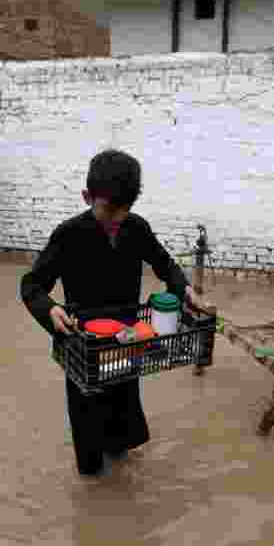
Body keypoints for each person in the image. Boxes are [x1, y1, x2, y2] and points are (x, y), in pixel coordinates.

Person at [20, 149, 206, 476]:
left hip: (127, 335)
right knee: (87, 408)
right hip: (85, 342)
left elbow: (165, 265)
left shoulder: (137, 228)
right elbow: (32, 285)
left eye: (125, 209)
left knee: (123, 402)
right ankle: (92, 474)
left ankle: (119, 456)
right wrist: (49, 309)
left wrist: (184, 288)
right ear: (87, 197)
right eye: (109, 209)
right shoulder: (68, 235)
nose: (117, 218)